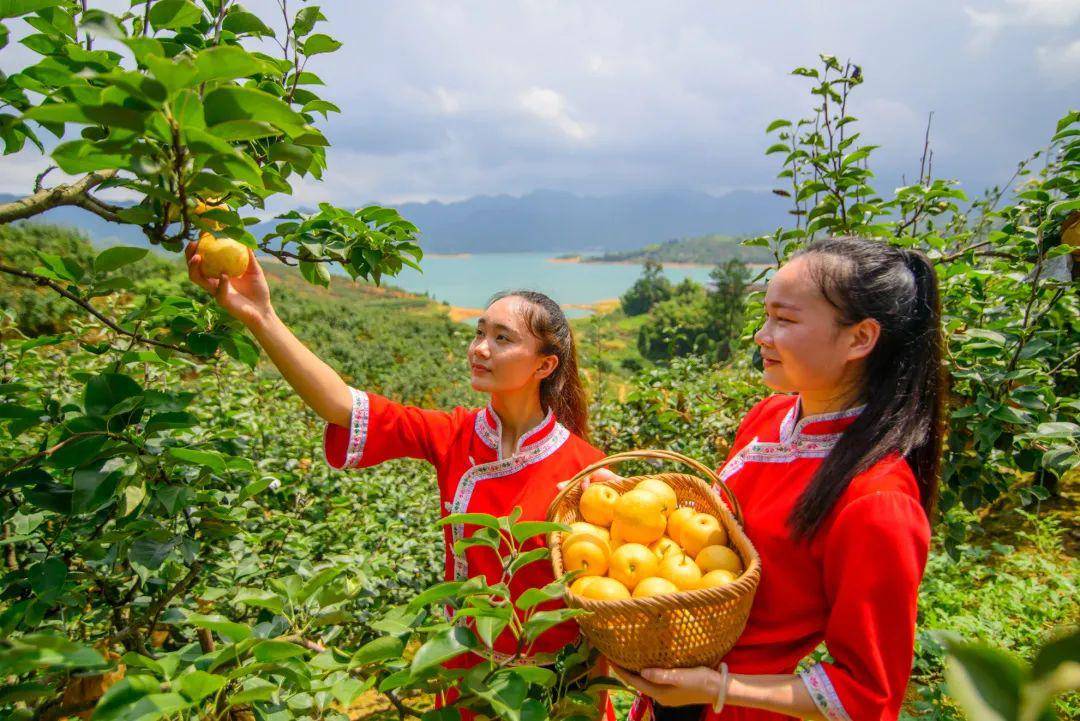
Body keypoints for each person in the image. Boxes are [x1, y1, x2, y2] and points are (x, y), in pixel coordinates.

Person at [184, 244, 613, 719]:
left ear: (544, 365)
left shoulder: (588, 469)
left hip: (552, 693)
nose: (479, 349)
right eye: (478, 333)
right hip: (464, 681)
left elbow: (608, 609)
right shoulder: (454, 435)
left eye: (502, 339)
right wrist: (261, 316)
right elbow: (341, 405)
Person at [597, 237, 943, 721]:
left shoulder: (876, 500)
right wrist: (623, 507)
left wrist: (720, 688)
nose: (762, 335)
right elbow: (715, 540)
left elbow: (867, 694)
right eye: (766, 316)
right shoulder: (769, 417)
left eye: (785, 320)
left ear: (860, 339)